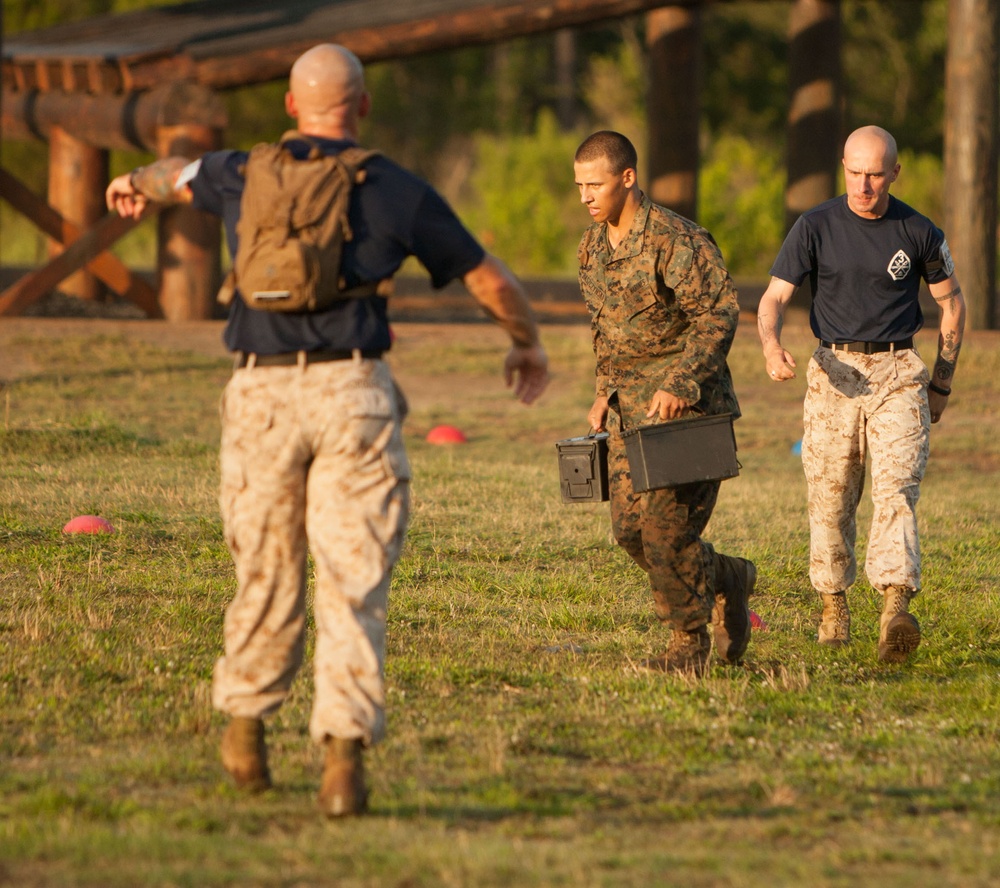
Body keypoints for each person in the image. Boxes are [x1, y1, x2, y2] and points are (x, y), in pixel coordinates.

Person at [106, 43, 549, 817]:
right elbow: (489, 278)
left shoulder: (240, 172)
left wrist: (131, 185)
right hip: (354, 393)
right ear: (363, 107)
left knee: (264, 570)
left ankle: (245, 732)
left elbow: (174, 175)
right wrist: (525, 340)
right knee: (353, 580)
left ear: (289, 107)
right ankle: (341, 762)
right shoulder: (392, 187)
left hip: (260, 395)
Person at [756, 124, 965, 663]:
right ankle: (833, 604)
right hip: (833, 371)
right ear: (842, 168)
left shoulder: (918, 230)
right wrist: (771, 345)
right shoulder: (815, 225)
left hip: (899, 370)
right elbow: (774, 298)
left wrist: (941, 379)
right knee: (830, 494)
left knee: (897, 491)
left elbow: (953, 304)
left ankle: (896, 605)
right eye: (854, 172)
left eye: (875, 174)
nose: (864, 185)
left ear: (895, 172)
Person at [572, 130, 755, 677]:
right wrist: (603, 391)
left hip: (689, 416)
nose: (585, 195)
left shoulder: (677, 239)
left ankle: (687, 645)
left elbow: (719, 313)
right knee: (630, 532)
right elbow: (606, 329)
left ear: (627, 178)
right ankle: (727, 577)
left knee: (664, 530)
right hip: (631, 418)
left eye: (595, 183)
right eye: (578, 185)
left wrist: (680, 382)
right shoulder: (591, 246)